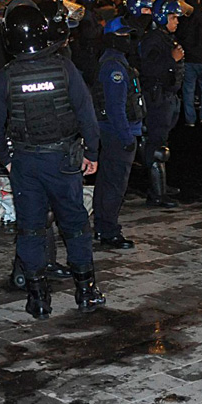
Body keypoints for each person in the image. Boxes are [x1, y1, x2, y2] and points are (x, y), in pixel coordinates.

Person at [0, 4, 103, 320]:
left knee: (31, 230)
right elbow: (87, 115)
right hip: (63, 161)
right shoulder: (64, 68)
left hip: (26, 163)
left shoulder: (5, 78)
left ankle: (38, 299)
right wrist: (91, 153)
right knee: (75, 227)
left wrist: (9, 161)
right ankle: (86, 291)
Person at [93, 18, 144, 249]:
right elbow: (116, 108)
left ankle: (103, 227)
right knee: (114, 184)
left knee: (107, 181)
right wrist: (127, 138)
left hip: (113, 132)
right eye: (122, 36)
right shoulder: (114, 67)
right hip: (117, 133)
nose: (127, 40)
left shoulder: (116, 62)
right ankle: (108, 231)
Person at [139, 0, 186, 207]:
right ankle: (156, 194)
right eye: (173, 17)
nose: (176, 21)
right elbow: (147, 69)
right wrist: (171, 60)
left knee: (162, 144)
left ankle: (161, 185)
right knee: (157, 147)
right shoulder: (153, 40)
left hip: (168, 97)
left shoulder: (165, 37)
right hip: (157, 99)